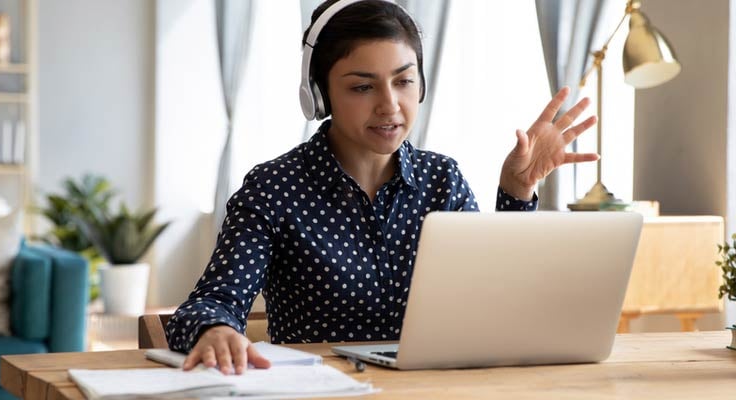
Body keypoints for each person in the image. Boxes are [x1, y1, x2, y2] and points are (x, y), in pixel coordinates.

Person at [166, 0, 598, 375]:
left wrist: (517, 192)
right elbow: (209, 303)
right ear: (318, 95)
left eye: (404, 81)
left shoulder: (442, 181)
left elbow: (500, 301)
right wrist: (216, 329)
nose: (389, 105)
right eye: (362, 86)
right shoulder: (274, 188)